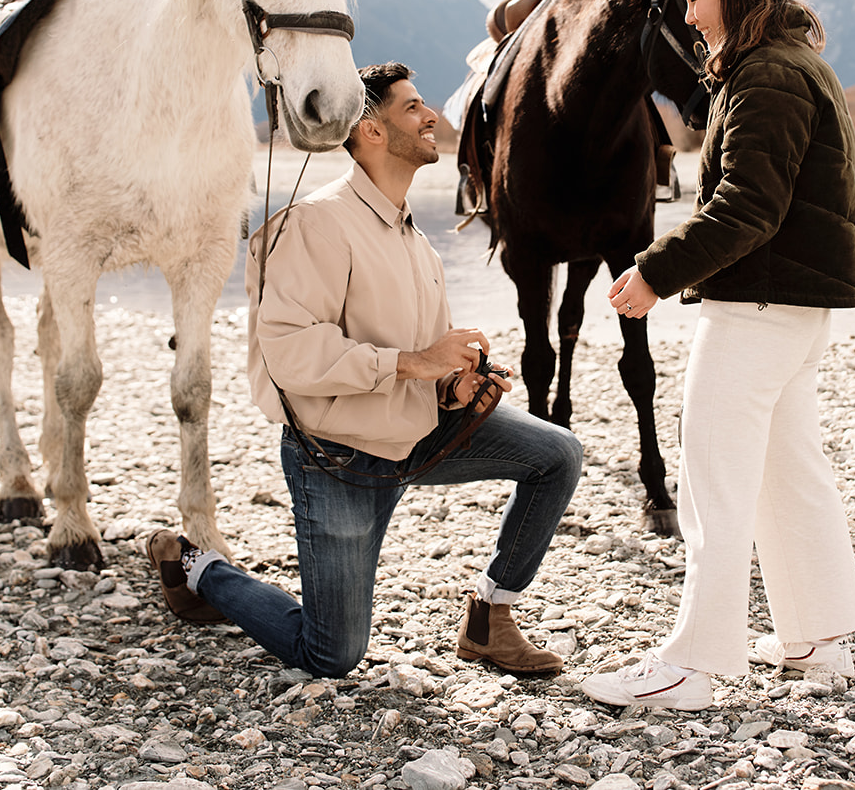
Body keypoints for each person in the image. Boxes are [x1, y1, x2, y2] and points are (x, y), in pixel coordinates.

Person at [146, 61, 583, 679]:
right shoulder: (315, 225)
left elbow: (423, 361)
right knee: (331, 655)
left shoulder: (419, 245)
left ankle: (489, 617)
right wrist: (416, 362)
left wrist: (454, 385)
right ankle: (196, 568)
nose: (432, 117)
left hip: (416, 435)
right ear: (370, 131)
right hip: (338, 457)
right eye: (412, 108)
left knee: (556, 454)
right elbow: (291, 354)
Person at [580, 0, 855, 710]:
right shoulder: (792, 60)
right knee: (789, 468)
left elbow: (748, 206)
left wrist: (655, 269)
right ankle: (818, 637)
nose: (686, 9)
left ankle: (697, 664)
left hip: (760, 305)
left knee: (711, 478)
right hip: (796, 306)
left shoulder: (767, 75)